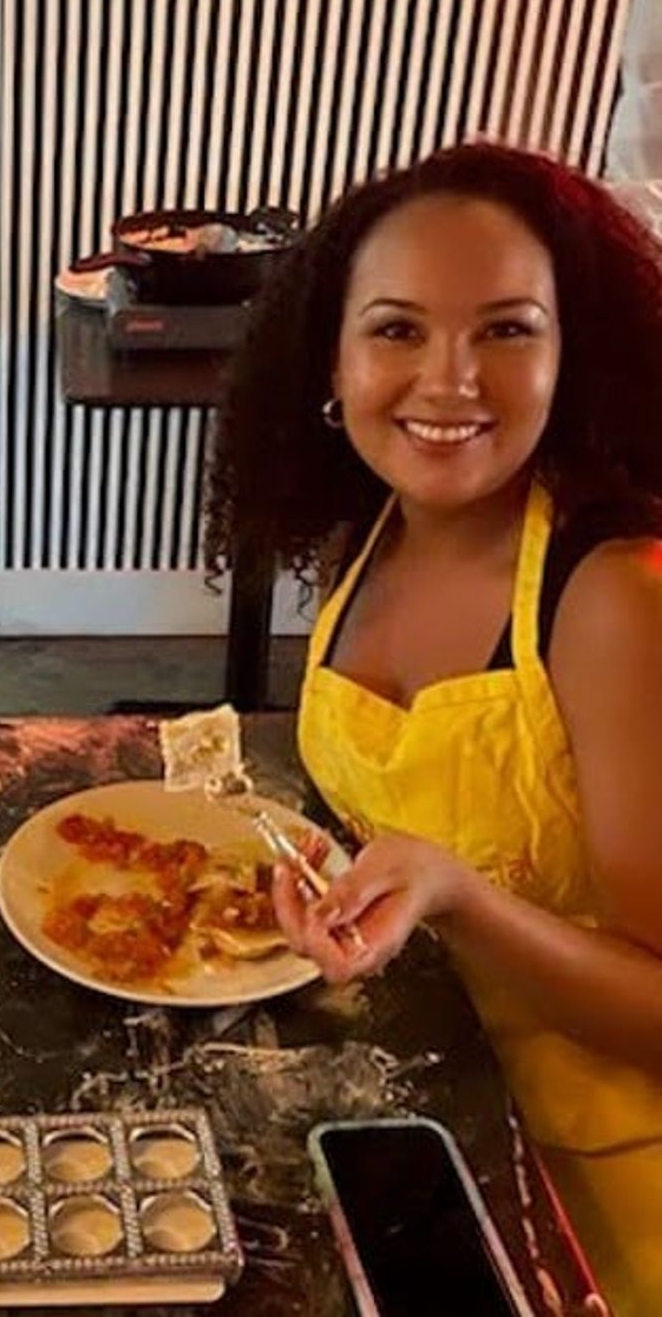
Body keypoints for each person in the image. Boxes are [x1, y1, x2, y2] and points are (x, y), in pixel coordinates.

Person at [205, 142, 662, 1313]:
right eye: (398, 330)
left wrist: (458, 897)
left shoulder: (611, 594)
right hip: (437, 1117)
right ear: (332, 359)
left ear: (575, 355)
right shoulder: (367, 540)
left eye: (507, 329)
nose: (451, 381)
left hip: (597, 1198)